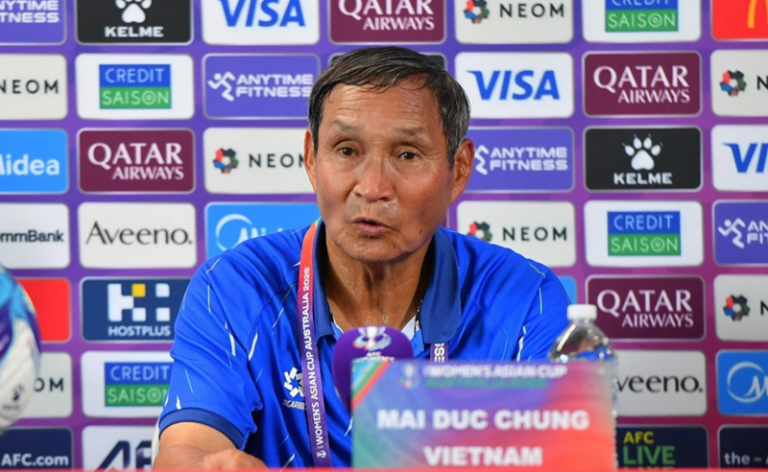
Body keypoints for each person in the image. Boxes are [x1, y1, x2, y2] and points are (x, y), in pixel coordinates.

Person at [154, 47, 570, 469]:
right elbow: (187, 449)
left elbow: (568, 457)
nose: (372, 188)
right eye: (347, 150)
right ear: (311, 157)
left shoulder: (525, 298)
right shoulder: (236, 286)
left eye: (407, 154)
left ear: (458, 168)